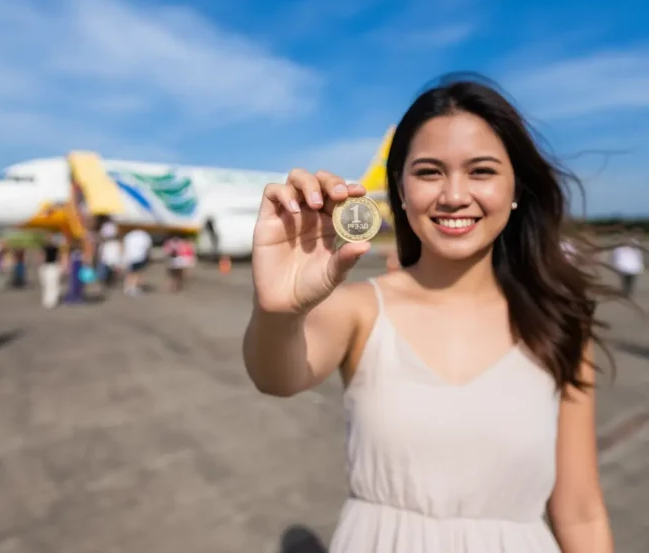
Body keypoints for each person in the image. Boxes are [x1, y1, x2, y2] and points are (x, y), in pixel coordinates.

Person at [242, 75, 616, 552]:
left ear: (516, 188)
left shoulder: (560, 321)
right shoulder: (361, 309)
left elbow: (581, 513)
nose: (454, 195)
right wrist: (277, 311)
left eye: (481, 171)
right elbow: (275, 377)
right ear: (399, 189)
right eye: (429, 172)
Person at [609, 233, 644, 297]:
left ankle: (628, 290)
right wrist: (616, 265)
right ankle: (626, 290)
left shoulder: (635, 248)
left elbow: (639, 257)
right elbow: (615, 257)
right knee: (625, 279)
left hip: (633, 267)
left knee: (630, 280)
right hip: (623, 266)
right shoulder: (619, 249)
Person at [122, 228, 152, 296]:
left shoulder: (129, 235)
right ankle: (133, 287)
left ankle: (128, 286)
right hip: (140, 256)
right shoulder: (144, 235)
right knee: (137, 272)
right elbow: (148, 246)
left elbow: (124, 245)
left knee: (130, 272)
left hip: (130, 256)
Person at [38, 234, 63, 308]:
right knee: (50, 284)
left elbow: (42, 257)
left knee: (51, 284)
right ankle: (50, 300)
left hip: (52, 266)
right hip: (50, 266)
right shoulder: (52, 247)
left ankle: (51, 300)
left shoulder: (54, 247)